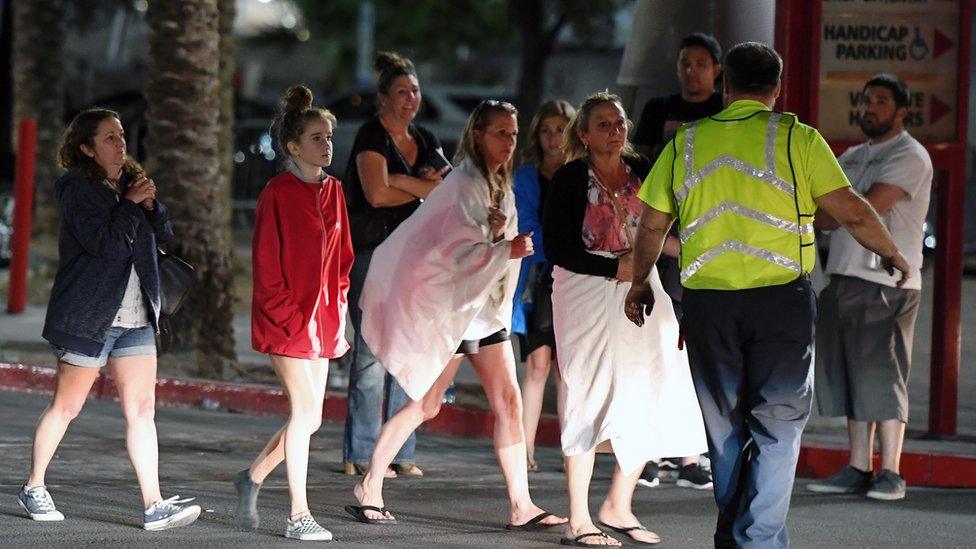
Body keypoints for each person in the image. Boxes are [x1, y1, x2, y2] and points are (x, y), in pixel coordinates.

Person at [626, 42, 911, 548]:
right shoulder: (796, 138)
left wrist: (640, 281)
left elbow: (651, 225)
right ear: (777, 89)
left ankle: (738, 536)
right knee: (778, 425)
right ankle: (755, 540)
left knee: (725, 427)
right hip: (781, 305)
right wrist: (892, 253)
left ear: (726, 86)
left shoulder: (687, 143)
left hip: (709, 305)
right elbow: (853, 210)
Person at [347, 100, 566, 531]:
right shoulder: (463, 183)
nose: (509, 141)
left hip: (485, 311)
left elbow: (482, 244)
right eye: (500, 132)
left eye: (514, 133)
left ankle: (521, 504)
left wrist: (501, 237)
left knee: (508, 401)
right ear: (478, 135)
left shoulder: (497, 182)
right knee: (427, 403)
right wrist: (506, 247)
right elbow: (454, 253)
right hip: (457, 310)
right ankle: (370, 483)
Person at [20, 108, 200, 530]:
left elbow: (164, 235)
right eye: (109, 138)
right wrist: (130, 205)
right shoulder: (76, 187)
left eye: (121, 135)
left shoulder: (128, 184)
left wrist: (152, 207)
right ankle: (33, 486)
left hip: (136, 315)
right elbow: (104, 244)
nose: (120, 144)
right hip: (89, 315)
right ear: (86, 148)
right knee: (66, 406)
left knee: (142, 410)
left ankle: (154, 503)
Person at [544, 92, 706, 547]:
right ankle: (579, 518)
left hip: (642, 282)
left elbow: (659, 233)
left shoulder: (641, 171)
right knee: (587, 390)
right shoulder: (572, 177)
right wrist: (614, 268)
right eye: (602, 124)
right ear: (584, 134)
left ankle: (618, 502)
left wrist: (693, 252)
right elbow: (558, 247)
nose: (614, 131)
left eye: (618, 123)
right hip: (587, 289)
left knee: (652, 384)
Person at [234, 85, 353, 541]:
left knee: (312, 418)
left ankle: (253, 476)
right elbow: (266, 268)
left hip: (323, 323)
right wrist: (291, 316)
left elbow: (342, 259)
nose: (327, 145)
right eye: (317, 138)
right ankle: (298, 514)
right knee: (304, 415)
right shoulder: (277, 193)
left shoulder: (335, 190)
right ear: (292, 145)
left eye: (329, 137)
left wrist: (338, 306)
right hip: (284, 323)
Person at [807, 74, 932, 501]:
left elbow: (865, 207)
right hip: (844, 276)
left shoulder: (910, 155)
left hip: (887, 281)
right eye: (868, 100)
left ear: (901, 112)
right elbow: (826, 207)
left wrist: (823, 211)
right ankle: (859, 466)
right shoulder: (853, 155)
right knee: (852, 375)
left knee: (884, 373)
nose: (871, 107)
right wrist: (825, 211)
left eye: (881, 101)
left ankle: (891, 472)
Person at [342, 52, 449, 478]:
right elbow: (376, 195)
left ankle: (400, 452)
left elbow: (447, 186)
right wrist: (419, 188)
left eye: (415, 91)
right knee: (370, 353)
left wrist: (403, 182)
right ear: (383, 99)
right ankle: (361, 452)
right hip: (372, 252)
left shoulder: (424, 137)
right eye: (402, 92)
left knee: (409, 350)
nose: (411, 99)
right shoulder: (372, 136)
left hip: (413, 257)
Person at [632, 31, 724, 491]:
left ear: (718, 71)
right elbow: (641, 165)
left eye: (701, 64)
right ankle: (648, 450)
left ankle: (692, 452)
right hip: (661, 237)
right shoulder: (657, 109)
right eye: (685, 63)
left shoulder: (725, 112)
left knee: (694, 349)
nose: (692, 71)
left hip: (710, 243)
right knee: (655, 343)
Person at [511, 99, 575, 472]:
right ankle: (525, 448)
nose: (553, 137)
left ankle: (571, 451)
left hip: (574, 277)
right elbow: (528, 226)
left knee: (567, 368)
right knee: (537, 363)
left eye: (560, 128)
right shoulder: (526, 175)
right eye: (546, 129)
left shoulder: (580, 172)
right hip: (537, 278)